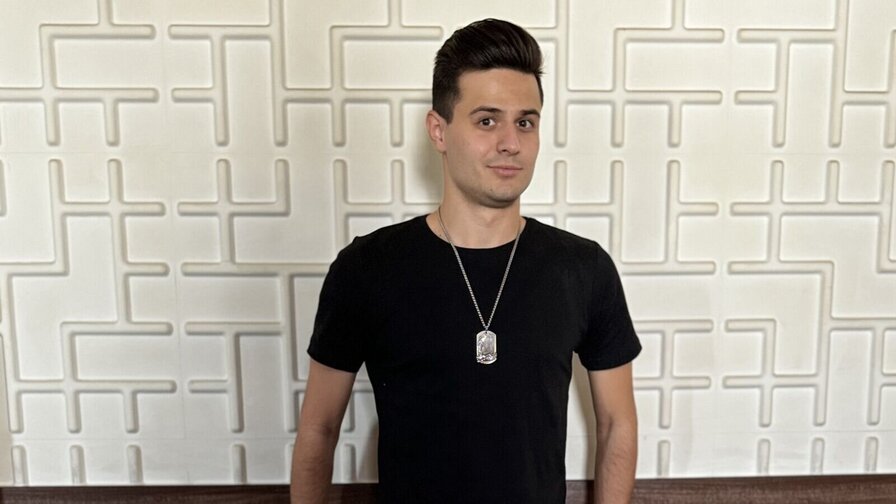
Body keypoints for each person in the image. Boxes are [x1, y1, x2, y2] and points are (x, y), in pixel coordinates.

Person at [291, 18, 641, 504]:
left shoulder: (582, 268)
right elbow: (319, 427)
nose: (510, 142)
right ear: (439, 130)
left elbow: (617, 423)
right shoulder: (367, 268)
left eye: (525, 122)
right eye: (486, 121)